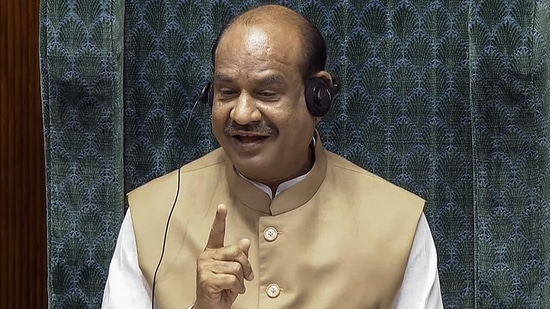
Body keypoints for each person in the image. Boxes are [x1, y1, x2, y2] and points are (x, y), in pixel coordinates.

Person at [101, 4, 443, 309]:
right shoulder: (152, 216)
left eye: (266, 93)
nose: (243, 114)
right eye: (228, 92)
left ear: (318, 96)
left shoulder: (398, 222)